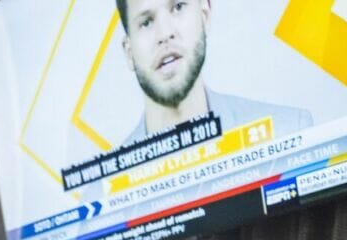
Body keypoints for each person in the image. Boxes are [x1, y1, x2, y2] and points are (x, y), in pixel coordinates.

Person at [116, 0, 313, 149]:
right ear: (129, 52)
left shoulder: (289, 132)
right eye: (146, 22)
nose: (165, 33)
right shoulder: (103, 194)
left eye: (178, 7)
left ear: (205, 15)